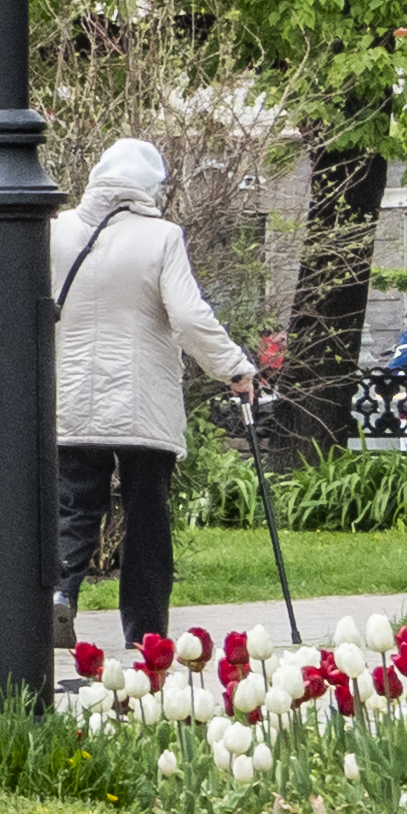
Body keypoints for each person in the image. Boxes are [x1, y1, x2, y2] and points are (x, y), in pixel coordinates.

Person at [47, 138, 258, 647]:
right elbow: (188, 315)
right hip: (143, 401)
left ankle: (59, 597)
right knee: (148, 514)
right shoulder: (161, 237)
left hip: (72, 394)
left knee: (75, 505)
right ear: (151, 187)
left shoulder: (56, 231)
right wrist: (233, 367)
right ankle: (146, 636)